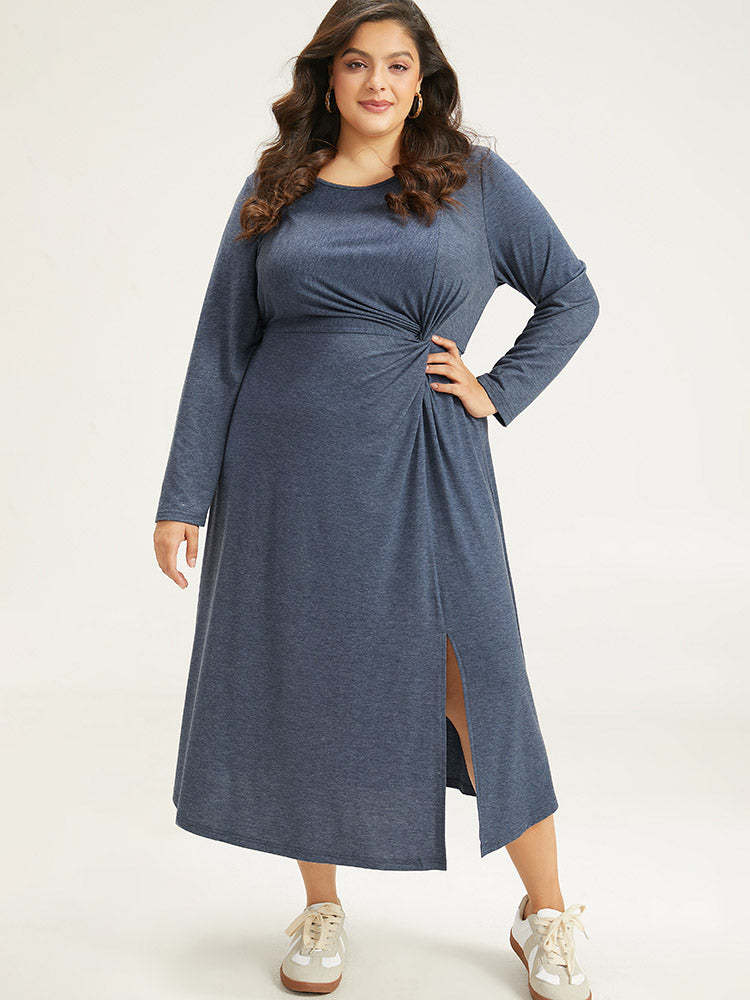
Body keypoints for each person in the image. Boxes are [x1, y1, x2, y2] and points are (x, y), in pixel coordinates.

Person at [153, 3, 599, 998]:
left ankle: (547, 912)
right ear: (329, 75)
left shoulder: (474, 181)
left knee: (478, 681)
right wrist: (184, 494)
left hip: (426, 463)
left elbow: (571, 294)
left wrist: (497, 388)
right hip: (285, 473)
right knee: (310, 677)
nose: (378, 83)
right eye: (357, 63)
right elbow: (222, 343)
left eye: (398, 64)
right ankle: (321, 905)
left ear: (423, 78)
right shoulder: (276, 186)